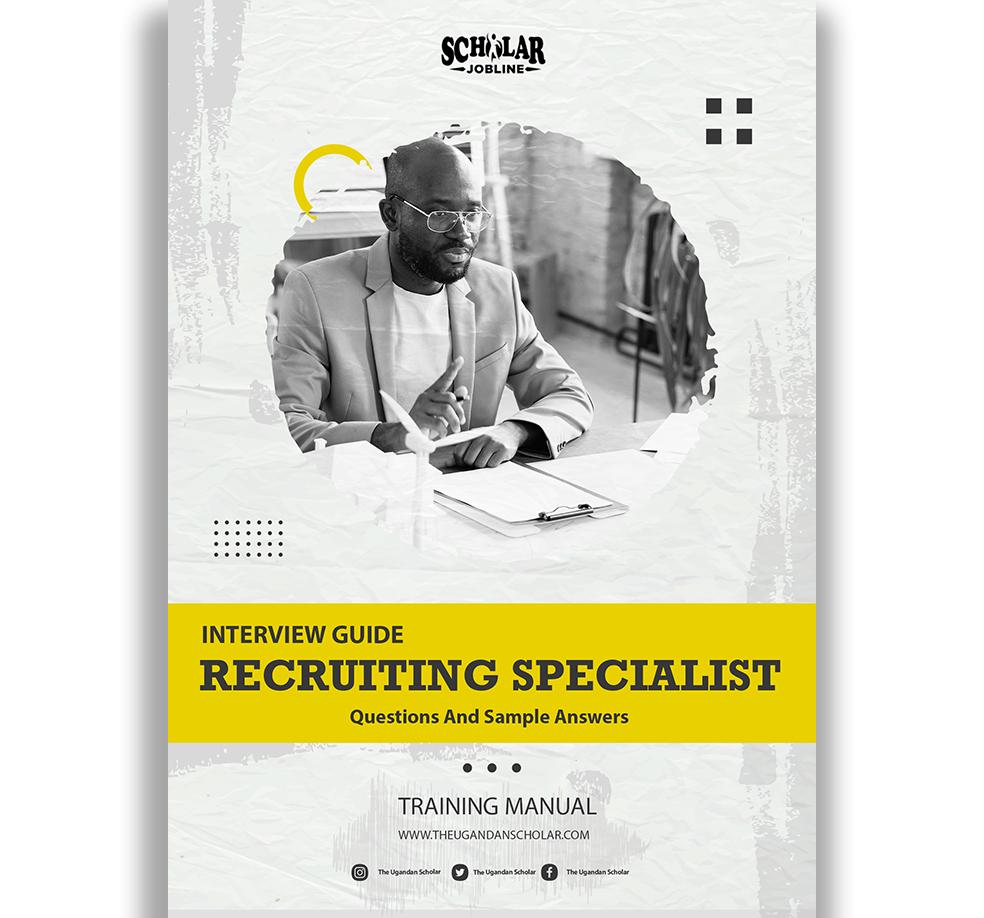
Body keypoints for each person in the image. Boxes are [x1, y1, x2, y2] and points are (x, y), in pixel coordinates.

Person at [271, 136, 593, 468]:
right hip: (367, 485)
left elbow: (569, 394)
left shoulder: (497, 289)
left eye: (471, 214)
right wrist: (392, 436)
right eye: (440, 215)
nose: (462, 233)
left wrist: (515, 431)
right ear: (391, 215)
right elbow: (287, 425)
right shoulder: (316, 290)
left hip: (469, 486)